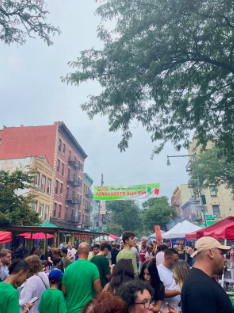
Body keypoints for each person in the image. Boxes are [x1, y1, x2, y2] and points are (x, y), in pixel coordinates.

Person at [181, 236, 233, 313]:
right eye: (221, 254)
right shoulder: (199, 286)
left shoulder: (201, 280)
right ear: (210, 253)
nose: (225, 259)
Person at [62, 242, 102, 313]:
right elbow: (99, 291)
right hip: (86, 310)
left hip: (70, 310)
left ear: (77, 251)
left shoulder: (68, 269)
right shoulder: (93, 267)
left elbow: (64, 291)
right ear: (88, 252)